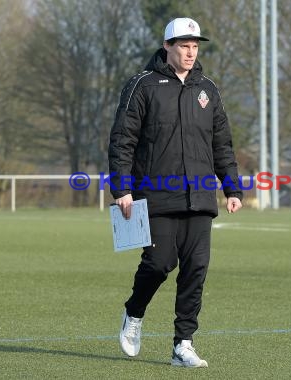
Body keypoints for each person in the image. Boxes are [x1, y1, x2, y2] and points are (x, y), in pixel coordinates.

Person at [108, 17, 243, 368]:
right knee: (158, 263)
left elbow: (222, 144)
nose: (190, 51)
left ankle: (183, 344)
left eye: (195, 45)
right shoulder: (142, 85)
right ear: (167, 46)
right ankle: (134, 313)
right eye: (183, 45)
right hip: (155, 194)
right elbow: (123, 140)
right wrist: (121, 188)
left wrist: (232, 188)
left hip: (199, 196)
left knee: (196, 267)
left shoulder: (208, 90)